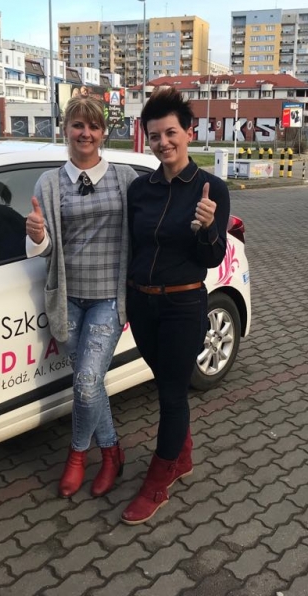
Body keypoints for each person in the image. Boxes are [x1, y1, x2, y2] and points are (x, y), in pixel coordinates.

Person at [121, 88, 230, 524]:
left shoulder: (211, 188)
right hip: (141, 304)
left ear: (188, 132)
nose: (163, 142)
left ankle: (158, 478)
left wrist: (207, 227)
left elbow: (213, 258)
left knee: (171, 392)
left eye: (170, 132)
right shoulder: (140, 189)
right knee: (163, 380)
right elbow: (131, 246)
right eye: (154, 136)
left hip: (183, 304)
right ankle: (181, 456)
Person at [25, 96, 138, 498]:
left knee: (87, 382)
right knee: (88, 381)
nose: (85, 133)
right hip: (68, 299)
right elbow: (46, 248)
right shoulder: (49, 183)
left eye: (93, 126)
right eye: (77, 125)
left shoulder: (125, 178)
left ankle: (76, 454)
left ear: (103, 133)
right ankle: (111, 453)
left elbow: (148, 227)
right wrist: (38, 235)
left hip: (109, 298)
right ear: (66, 130)